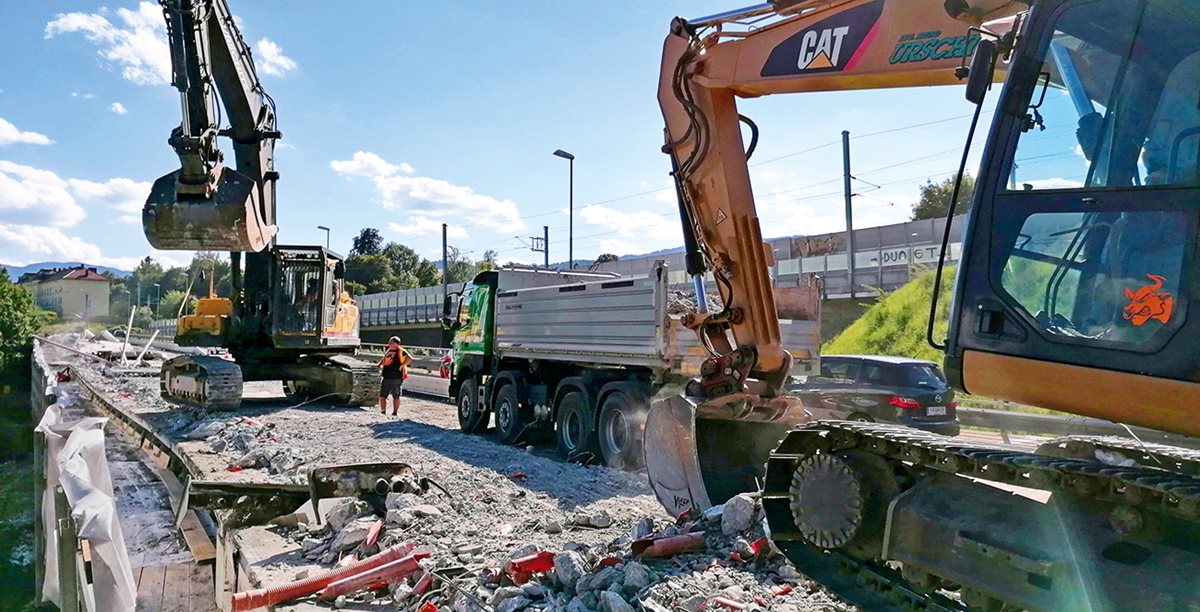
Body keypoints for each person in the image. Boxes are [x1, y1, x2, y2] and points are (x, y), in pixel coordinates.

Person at [378, 335, 412, 415]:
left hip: (397, 377)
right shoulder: (389, 350)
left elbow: (410, 358)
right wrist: (379, 365)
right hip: (386, 376)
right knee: (382, 396)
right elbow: (384, 360)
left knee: (396, 396)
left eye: (391, 342)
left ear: (396, 343)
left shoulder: (401, 351)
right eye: (389, 342)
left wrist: (402, 365)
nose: (389, 343)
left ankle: (395, 412)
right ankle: (383, 411)